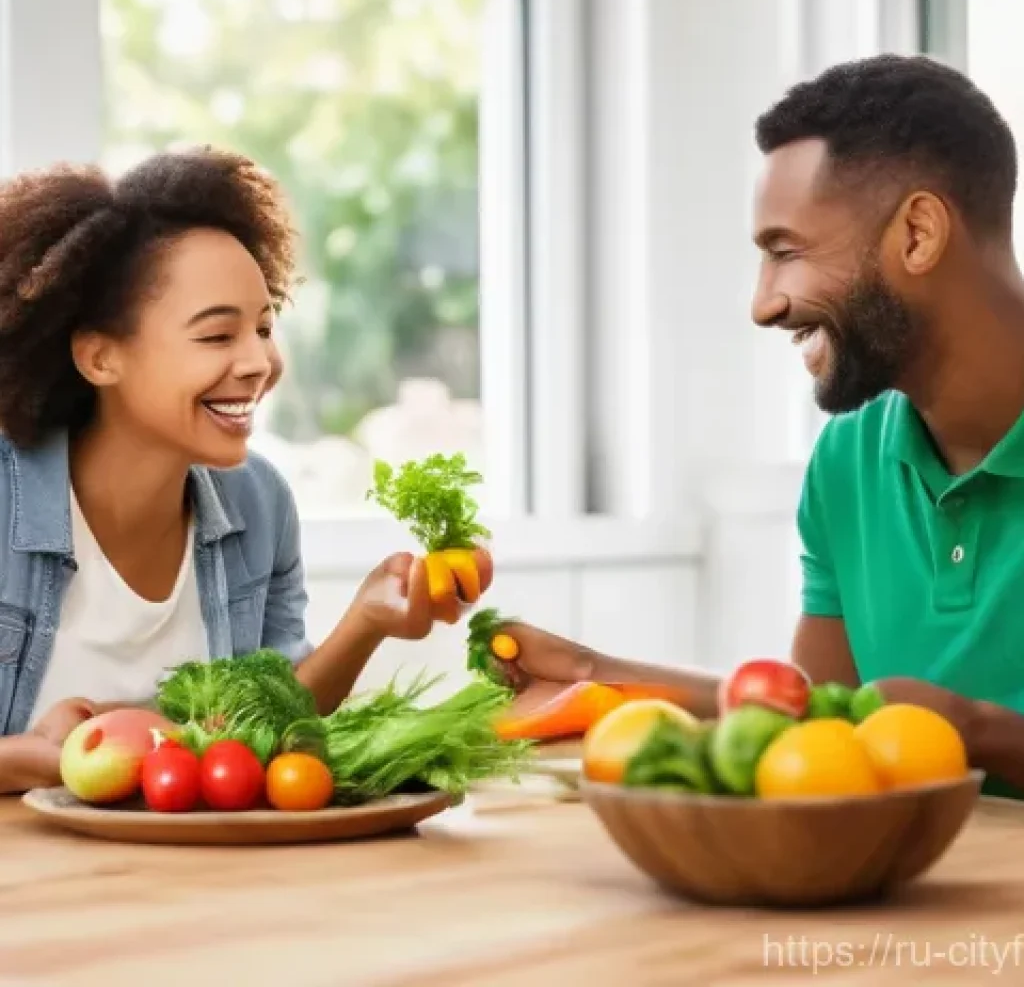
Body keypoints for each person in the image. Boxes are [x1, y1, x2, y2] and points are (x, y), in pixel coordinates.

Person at [499, 54, 1024, 797]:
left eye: (786, 252)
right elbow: (812, 725)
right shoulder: (849, 459)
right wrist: (597, 675)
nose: (764, 303)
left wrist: (976, 732)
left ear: (917, 234)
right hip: (901, 902)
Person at [0, 147, 489, 794]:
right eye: (216, 335)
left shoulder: (258, 502)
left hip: (201, 872)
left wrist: (366, 621)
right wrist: (32, 759)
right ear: (99, 357)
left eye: (264, 327)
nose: (261, 362)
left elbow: (273, 717)